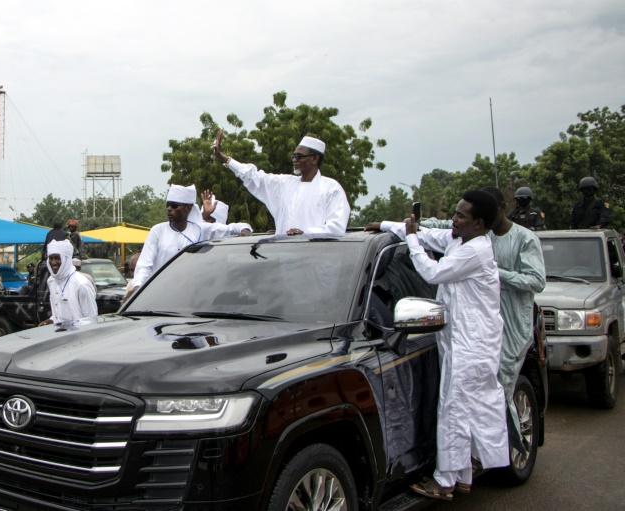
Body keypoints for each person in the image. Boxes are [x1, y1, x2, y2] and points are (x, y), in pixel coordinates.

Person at [367, 190, 508, 501]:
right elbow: (431, 235)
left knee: (454, 411)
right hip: (461, 341)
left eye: (461, 216)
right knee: (463, 410)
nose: (454, 220)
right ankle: (464, 477)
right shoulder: (461, 240)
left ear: (479, 223)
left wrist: (413, 240)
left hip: (473, 345)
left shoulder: (475, 252)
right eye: (455, 213)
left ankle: (444, 483)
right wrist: (388, 225)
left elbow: (432, 271)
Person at [483, 187, 546, 455]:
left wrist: (499, 273)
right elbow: (443, 226)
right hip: (486, 325)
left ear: (501, 208)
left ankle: (514, 451)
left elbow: (536, 280)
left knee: (501, 389)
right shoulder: (483, 235)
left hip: (515, 328)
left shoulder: (525, 238)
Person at [213, 130, 349, 236]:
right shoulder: (285, 183)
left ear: (314, 158)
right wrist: (225, 159)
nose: (294, 160)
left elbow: (336, 228)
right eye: (293, 156)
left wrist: (305, 233)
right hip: (283, 262)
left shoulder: (331, 188)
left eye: (299, 156)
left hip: (314, 262)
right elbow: (254, 176)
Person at [128, 184, 252, 296]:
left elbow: (231, 229)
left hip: (190, 296)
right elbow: (144, 265)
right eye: (168, 205)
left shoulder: (200, 229)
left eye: (175, 206)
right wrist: (138, 288)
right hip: (160, 294)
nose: (169, 209)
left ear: (188, 208)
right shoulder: (158, 230)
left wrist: (245, 230)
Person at [38, 239, 98, 328]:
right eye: (51, 258)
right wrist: (50, 321)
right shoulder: (51, 281)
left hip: (80, 338)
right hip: (59, 336)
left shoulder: (81, 284)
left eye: (57, 258)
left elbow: (91, 321)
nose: (53, 263)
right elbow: (58, 315)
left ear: (66, 259)